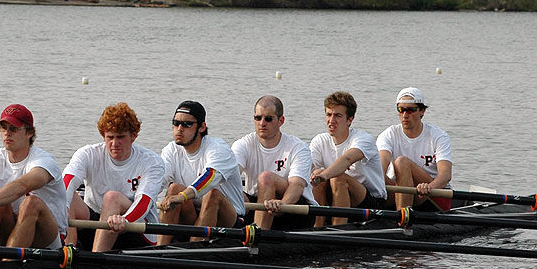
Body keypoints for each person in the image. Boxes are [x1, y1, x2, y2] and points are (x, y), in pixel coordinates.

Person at [0, 104, 68, 263]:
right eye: (3, 128)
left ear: (30, 133)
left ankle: (6, 267)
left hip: (47, 239)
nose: (7, 133)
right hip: (12, 230)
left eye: (13, 128)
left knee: (30, 202)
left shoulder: (44, 161)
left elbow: (23, 185)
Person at [63, 102, 165, 251]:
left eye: (121, 137)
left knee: (112, 198)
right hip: (96, 224)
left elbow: (144, 201)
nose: (114, 143)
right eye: (110, 137)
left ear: (134, 136)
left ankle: (96, 258)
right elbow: (67, 181)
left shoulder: (152, 161)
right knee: (67, 196)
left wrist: (124, 220)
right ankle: (68, 251)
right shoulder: (88, 153)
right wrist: (62, 208)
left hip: (134, 228)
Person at [157, 100, 245, 245]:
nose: (179, 129)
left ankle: (194, 249)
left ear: (202, 127)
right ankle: (159, 249)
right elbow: (159, 180)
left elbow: (210, 177)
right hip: (193, 216)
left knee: (212, 194)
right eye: (176, 123)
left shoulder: (218, 148)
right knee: (173, 188)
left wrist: (182, 196)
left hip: (228, 221)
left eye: (186, 124)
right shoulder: (171, 150)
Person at [231, 95, 316, 230]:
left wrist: (282, 205)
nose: (262, 123)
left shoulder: (298, 147)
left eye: (268, 119)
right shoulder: (243, 144)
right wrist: (237, 193)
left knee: (266, 178)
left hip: (293, 209)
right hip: (257, 204)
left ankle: (257, 238)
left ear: (281, 121)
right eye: (258, 118)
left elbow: (297, 185)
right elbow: (231, 174)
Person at [308, 91, 387, 226]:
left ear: (350, 120)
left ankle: (339, 227)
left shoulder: (363, 139)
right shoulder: (319, 140)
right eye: (328, 114)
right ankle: (318, 226)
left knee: (338, 178)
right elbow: (309, 168)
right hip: (336, 195)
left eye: (338, 116)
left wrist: (323, 175)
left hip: (371, 200)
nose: (331, 121)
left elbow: (347, 159)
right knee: (316, 174)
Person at [377, 87, 453, 210]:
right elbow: (380, 167)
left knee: (401, 162)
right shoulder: (389, 134)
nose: (405, 115)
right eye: (401, 110)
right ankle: (402, 212)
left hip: (432, 194)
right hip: (401, 189)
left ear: (422, 111)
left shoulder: (438, 136)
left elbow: (445, 175)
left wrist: (430, 187)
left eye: (410, 110)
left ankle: (403, 219)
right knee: (374, 172)